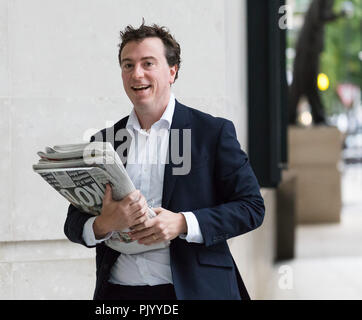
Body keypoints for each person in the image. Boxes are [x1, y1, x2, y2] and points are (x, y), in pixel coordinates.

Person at [64, 21, 265, 300]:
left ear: (172, 71)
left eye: (148, 63)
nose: (137, 74)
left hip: (193, 291)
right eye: (128, 65)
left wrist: (183, 223)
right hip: (119, 294)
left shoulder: (212, 133)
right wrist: (103, 224)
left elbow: (251, 208)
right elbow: (73, 223)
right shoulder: (103, 141)